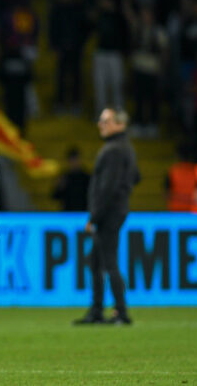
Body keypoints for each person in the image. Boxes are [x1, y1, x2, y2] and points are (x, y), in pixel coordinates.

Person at [75, 108, 140, 325]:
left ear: (120, 124)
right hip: (116, 210)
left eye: (106, 121)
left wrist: (94, 216)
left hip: (108, 213)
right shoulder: (126, 148)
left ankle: (120, 312)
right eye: (101, 120)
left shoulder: (112, 150)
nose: (100, 124)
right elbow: (136, 177)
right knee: (96, 261)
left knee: (108, 262)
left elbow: (107, 188)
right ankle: (97, 310)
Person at [52, 146, 91, 212]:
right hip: (68, 215)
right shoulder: (64, 177)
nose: (74, 162)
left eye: (76, 159)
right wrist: (59, 187)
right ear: (68, 161)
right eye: (72, 160)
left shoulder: (87, 177)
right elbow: (55, 196)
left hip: (83, 213)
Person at [166, 143, 197, 212]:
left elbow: (167, 192)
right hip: (193, 208)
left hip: (176, 208)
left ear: (177, 155)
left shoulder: (172, 171)